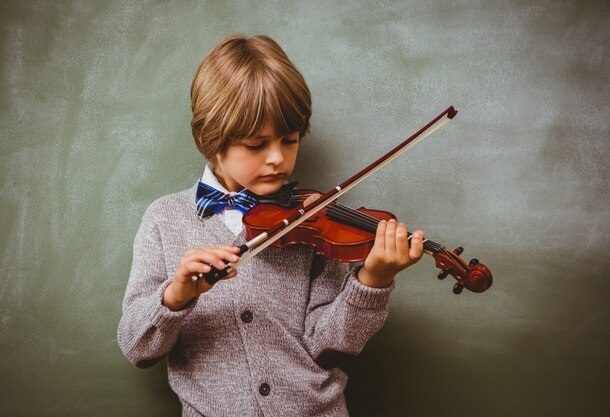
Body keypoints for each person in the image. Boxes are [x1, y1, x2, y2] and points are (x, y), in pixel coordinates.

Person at [117, 34, 426, 417]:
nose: (278, 158)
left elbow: (328, 346)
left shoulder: (312, 220)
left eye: (290, 140)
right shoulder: (164, 220)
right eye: (255, 144)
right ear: (209, 139)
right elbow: (137, 346)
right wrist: (175, 297)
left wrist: (371, 282)